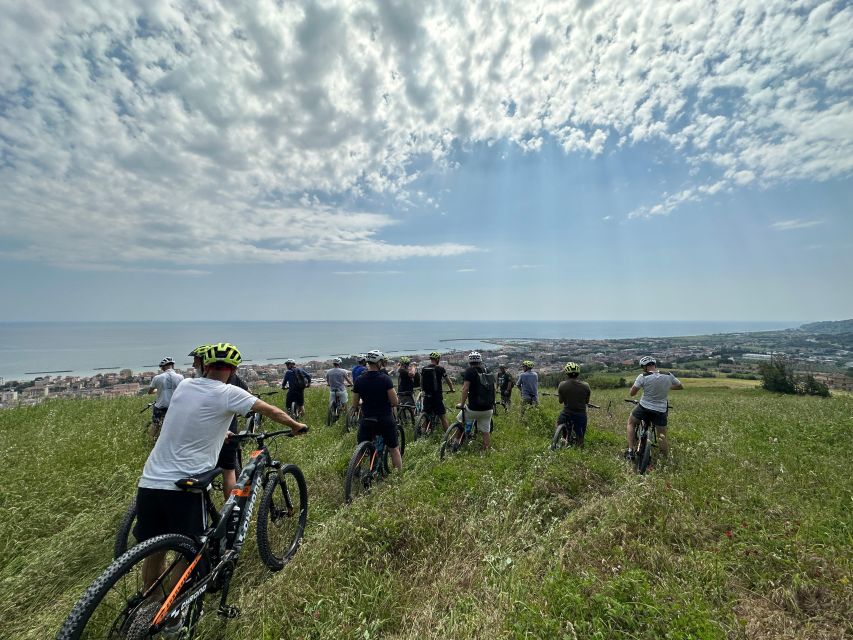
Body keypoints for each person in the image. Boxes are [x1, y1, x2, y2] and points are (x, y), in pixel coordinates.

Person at [135, 343, 308, 595]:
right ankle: (171, 612)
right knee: (190, 551)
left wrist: (219, 431)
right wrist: (295, 425)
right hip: (185, 487)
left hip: (150, 481)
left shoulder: (185, 386)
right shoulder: (229, 393)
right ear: (233, 369)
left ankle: (150, 605)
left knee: (156, 550)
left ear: (204, 366)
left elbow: (191, 416)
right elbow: (269, 410)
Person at [189, 344, 247, 497]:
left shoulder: (194, 383)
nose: (193, 364)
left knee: (207, 470)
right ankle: (232, 511)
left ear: (205, 363)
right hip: (227, 431)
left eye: (195, 361)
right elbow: (247, 395)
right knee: (229, 471)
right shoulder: (232, 377)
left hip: (211, 433)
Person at [625, 356, 683, 460]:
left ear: (644, 367)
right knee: (662, 435)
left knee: (631, 423)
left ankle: (630, 450)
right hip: (661, 409)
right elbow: (680, 386)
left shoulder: (643, 376)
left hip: (644, 407)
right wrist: (666, 387)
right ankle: (663, 459)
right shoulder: (668, 375)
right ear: (654, 364)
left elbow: (632, 393)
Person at [352, 350, 402, 471]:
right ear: (379, 363)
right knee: (394, 449)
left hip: (367, 419)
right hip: (384, 418)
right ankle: (399, 477)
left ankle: (355, 473)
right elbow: (395, 402)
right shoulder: (385, 379)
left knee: (361, 449)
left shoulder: (359, 380)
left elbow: (355, 404)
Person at [456, 351, 496, 452]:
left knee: (460, 420)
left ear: (469, 361)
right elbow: (493, 389)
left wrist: (462, 404)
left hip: (473, 408)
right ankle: (486, 450)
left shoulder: (470, 371)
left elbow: (465, 388)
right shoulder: (488, 370)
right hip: (488, 409)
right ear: (480, 361)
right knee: (486, 431)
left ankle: (456, 442)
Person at [556, 362, 591, 447]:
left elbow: (560, 401)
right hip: (580, 413)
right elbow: (586, 401)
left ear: (567, 374)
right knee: (580, 435)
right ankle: (580, 445)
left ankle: (561, 439)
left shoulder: (562, 385)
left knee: (559, 423)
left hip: (567, 412)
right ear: (578, 374)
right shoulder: (586, 386)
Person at [147, 357, 184, 439]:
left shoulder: (157, 378)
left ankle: (149, 441)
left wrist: (158, 390)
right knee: (175, 426)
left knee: (155, 425)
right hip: (174, 406)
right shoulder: (180, 377)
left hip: (160, 406)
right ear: (173, 366)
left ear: (163, 367)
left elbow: (149, 392)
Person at [419, 351, 455, 432]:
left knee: (426, 415)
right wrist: (452, 389)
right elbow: (448, 381)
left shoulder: (424, 369)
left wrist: (422, 390)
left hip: (427, 396)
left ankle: (423, 433)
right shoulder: (440, 369)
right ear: (438, 359)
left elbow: (421, 381)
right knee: (443, 417)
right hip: (437, 397)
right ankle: (448, 436)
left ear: (431, 359)